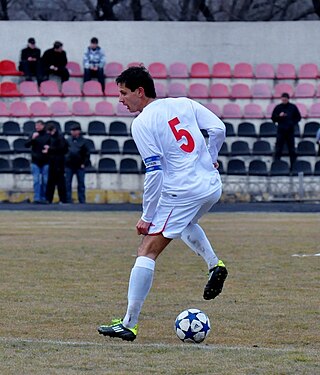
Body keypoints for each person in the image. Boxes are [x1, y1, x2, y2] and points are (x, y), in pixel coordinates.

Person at [97, 66, 228, 342]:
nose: (120, 100)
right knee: (185, 225)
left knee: (146, 251)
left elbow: (154, 170)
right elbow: (218, 128)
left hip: (182, 191)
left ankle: (129, 324)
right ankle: (214, 264)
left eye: (123, 93)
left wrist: (147, 215)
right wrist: (212, 157)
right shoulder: (183, 103)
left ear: (139, 92)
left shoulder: (142, 123)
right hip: (211, 185)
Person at [271, 92, 301, 170]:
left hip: (290, 131)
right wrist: (279, 116)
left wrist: (292, 123)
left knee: (292, 150)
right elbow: (273, 118)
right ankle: (276, 166)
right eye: (283, 99)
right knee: (278, 149)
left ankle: (293, 167)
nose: (284, 100)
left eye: (285, 99)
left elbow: (298, 117)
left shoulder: (293, 107)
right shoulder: (278, 107)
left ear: (288, 99)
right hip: (281, 130)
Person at [25, 120, 50, 204]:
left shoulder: (47, 135)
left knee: (45, 180)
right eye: (36, 126)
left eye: (39, 125)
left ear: (43, 126)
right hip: (35, 161)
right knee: (36, 180)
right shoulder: (33, 134)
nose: (37, 127)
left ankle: (43, 197)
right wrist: (32, 139)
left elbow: (53, 145)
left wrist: (48, 148)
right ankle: (37, 198)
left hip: (45, 161)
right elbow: (26, 145)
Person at [65, 123, 91, 203]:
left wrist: (84, 163)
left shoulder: (83, 141)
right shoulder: (68, 140)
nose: (72, 132)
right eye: (72, 130)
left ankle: (82, 200)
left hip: (80, 165)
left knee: (81, 184)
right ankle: (68, 199)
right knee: (68, 183)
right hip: (69, 165)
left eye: (74, 130)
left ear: (78, 131)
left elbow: (87, 153)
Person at [45, 122, 68, 204]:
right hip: (52, 161)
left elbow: (62, 148)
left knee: (60, 182)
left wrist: (50, 149)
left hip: (59, 162)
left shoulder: (60, 138)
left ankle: (63, 199)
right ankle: (48, 199)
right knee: (50, 182)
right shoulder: (51, 138)